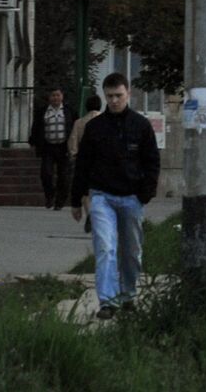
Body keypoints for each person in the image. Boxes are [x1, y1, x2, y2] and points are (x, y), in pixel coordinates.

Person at [71, 73, 159, 319]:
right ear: (104, 96)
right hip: (102, 197)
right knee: (106, 248)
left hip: (131, 197)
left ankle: (128, 294)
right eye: (109, 96)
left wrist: (145, 193)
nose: (114, 101)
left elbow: (152, 162)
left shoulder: (141, 126)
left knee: (131, 251)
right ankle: (108, 301)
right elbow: (83, 165)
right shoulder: (95, 128)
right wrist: (76, 199)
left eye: (118, 96)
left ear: (128, 93)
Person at [27, 87, 77, 210]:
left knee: (64, 176)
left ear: (62, 97)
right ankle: (49, 196)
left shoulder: (69, 111)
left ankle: (60, 201)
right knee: (46, 173)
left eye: (58, 95)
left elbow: (76, 126)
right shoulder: (42, 111)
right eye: (53, 95)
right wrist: (33, 141)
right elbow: (36, 127)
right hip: (48, 147)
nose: (55, 98)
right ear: (49, 97)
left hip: (64, 147)